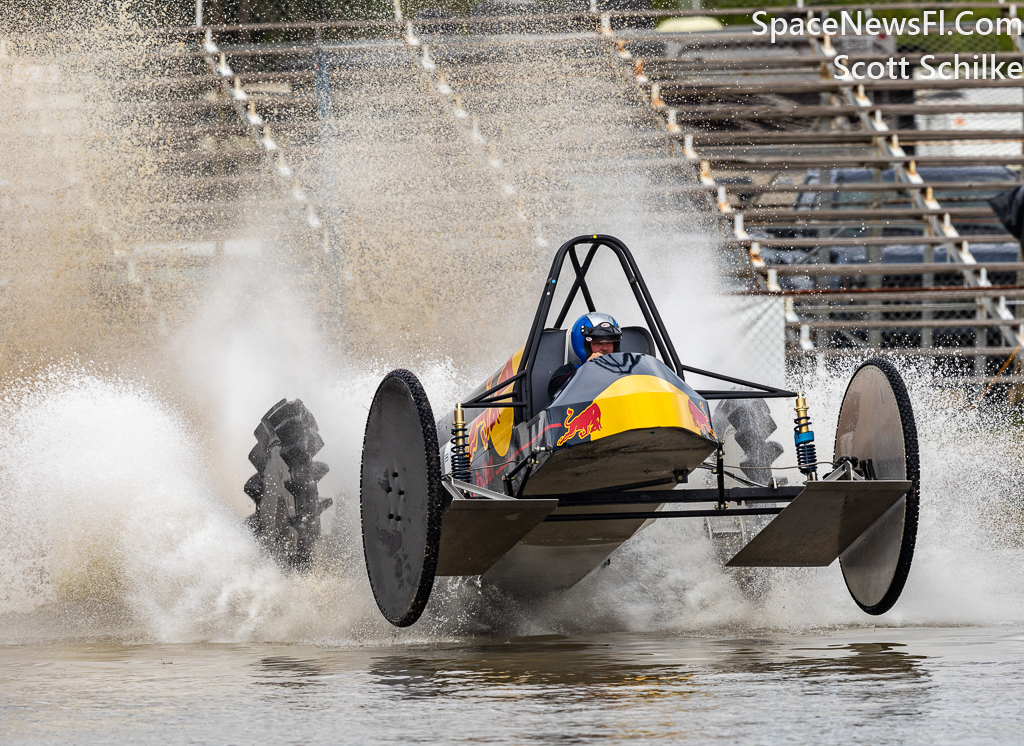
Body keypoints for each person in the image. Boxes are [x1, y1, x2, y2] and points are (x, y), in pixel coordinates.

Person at [548, 312, 622, 398]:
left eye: (609, 343)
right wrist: (586, 368)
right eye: (598, 343)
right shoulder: (569, 370)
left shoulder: (625, 367)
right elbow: (555, 390)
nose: (605, 348)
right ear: (584, 346)